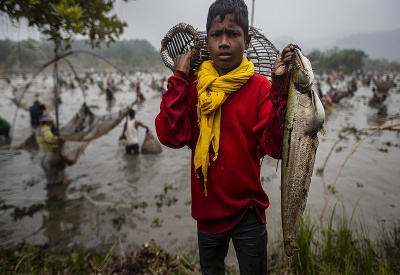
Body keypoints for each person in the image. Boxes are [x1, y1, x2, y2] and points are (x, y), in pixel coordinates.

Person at [155, 0, 295, 273]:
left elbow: (277, 147)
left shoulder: (260, 88)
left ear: (247, 40)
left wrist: (279, 88)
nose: (223, 42)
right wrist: (179, 79)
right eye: (216, 34)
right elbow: (171, 135)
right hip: (207, 213)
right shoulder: (193, 87)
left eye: (233, 34)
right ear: (206, 40)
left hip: (248, 212)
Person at [35, 113, 69, 185]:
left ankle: (51, 189)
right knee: (57, 171)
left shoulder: (38, 129)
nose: (52, 123)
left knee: (49, 175)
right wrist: (58, 138)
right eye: (51, 121)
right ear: (47, 121)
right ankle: (58, 188)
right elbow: (49, 139)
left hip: (41, 155)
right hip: (49, 155)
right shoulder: (46, 129)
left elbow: (43, 140)